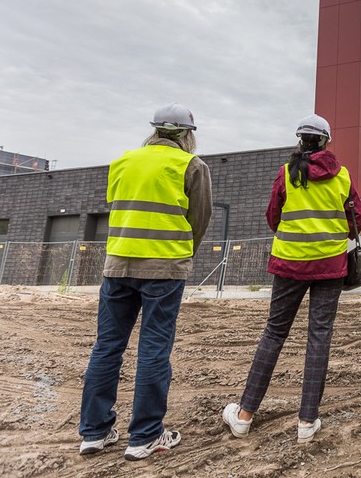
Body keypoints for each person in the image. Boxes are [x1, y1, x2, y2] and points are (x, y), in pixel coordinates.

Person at [79, 103, 212, 461]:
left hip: (118, 265)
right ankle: (145, 436)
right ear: (188, 134)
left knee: (107, 347)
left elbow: (116, 206)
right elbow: (199, 218)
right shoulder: (191, 165)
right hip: (164, 270)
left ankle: (94, 432)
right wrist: (183, 253)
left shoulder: (123, 161)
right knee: (154, 349)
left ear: (154, 130)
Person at [222, 114, 361, 444]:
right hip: (329, 267)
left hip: (289, 265)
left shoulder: (287, 173)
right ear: (327, 142)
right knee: (319, 336)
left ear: (300, 141)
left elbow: (273, 216)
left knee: (274, 332)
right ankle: (307, 421)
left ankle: (244, 416)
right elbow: (356, 218)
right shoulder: (341, 176)